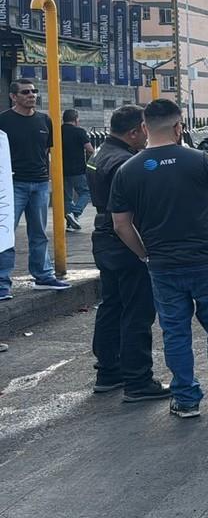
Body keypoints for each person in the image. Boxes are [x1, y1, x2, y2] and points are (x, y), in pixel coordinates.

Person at [110, 99, 208, 418]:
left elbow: (121, 224)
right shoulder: (200, 160)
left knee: (175, 332)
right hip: (205, 260)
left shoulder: (128, 170)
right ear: (179, 127)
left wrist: (145, 255)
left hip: (162, 265)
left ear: (145, 128)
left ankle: (186, 399)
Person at [86, 104, 169, 402]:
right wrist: (145, 252)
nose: (147, 137)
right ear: (135, 131)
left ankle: (109, 371)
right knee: (137, 310)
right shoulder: (126, 162)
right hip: (124, 239)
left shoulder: (99, 154)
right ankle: (138, 380)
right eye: (145, 130)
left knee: (112, 306)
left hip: (103, 239)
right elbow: (135, 209)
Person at [0, 78, 71, 298]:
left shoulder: (44, 120)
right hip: (12, 185)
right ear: (13, 96)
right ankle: (2, 283)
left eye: (33, 91)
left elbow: (47, 152)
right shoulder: (4, 121)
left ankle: (43, 275)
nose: (31, 95)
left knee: (39, 233)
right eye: (25, 92)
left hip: (39, 183)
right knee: (5, 233)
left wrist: (48, 178)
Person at [61, 108, 95, 231]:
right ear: (76, 119)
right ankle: (75, 213)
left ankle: (70, 224)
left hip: (61, 170)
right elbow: (90, 149)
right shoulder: (79, 132)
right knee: (86, 192)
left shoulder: (58, 131)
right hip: (78, 169)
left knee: (67, 197)